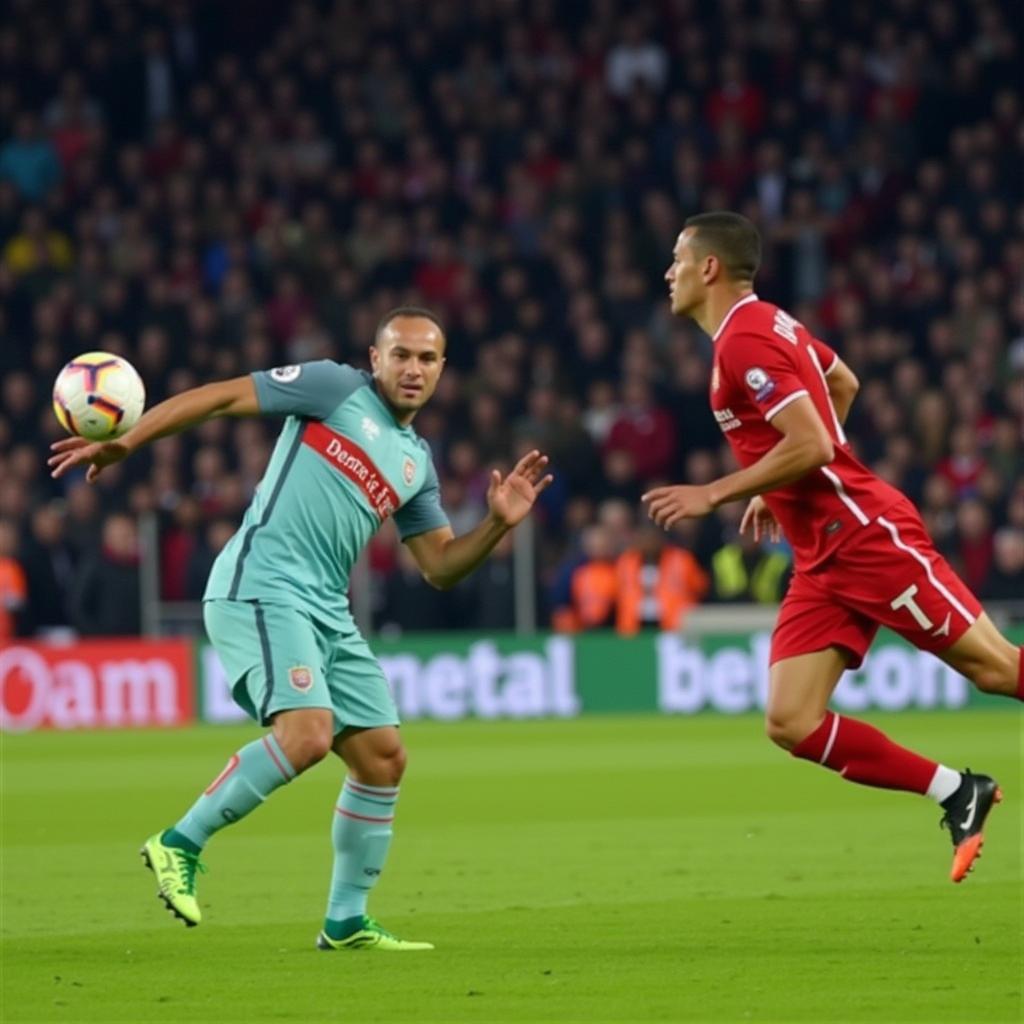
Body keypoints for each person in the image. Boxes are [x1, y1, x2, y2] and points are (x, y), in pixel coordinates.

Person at [49, 307, 553, 949]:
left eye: (427, 359)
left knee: (382, 757)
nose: (413, 369)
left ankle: (344, 922)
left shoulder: (415, 464)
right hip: (261, 585)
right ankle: (178, 842)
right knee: (308, 735)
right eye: (400, 355)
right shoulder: (333, 388)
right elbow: (222, 396)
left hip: (326, 610)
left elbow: (440, 568)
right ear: (375, 359)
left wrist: (498, 526)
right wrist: (132, 439)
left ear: (442, 371)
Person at [646, 212, 1021, 883]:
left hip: (867, 538)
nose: (667, 272)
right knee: (790, 719)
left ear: (709, 269)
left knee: (996, 670)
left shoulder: (743, 343)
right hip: (821, 557)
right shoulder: (769, 325)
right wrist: (778, 483)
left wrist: (719, 492)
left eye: (677, 259)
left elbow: (815, 442)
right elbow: (841, 386)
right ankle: (958, 792)